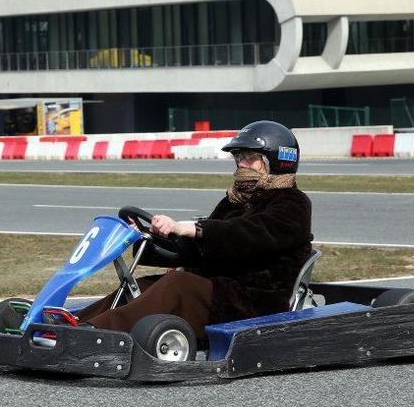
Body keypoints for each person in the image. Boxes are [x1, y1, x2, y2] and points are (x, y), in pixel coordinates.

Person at [74, 120, 313, 340]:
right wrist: (149, 236)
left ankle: (93, 335)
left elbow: (248, 234)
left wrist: (194, 229)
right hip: (218, 289)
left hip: (254, 301)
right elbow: (200, 250)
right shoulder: (234, 202)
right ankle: (74, 324)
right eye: (239, 157)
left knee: (178, 284)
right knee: (145, 285)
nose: (241, 164)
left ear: (276, 162)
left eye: (250, 158)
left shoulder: (293, 203)